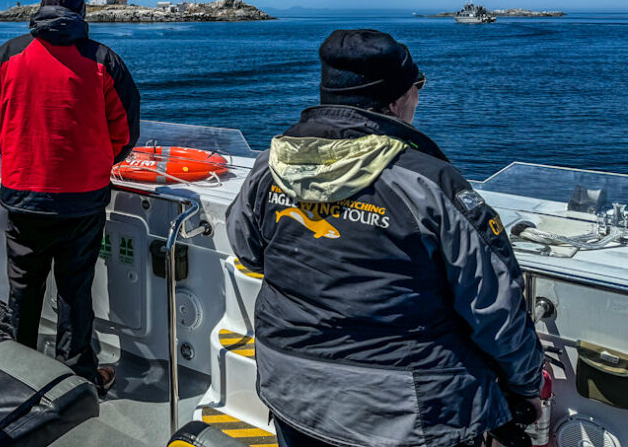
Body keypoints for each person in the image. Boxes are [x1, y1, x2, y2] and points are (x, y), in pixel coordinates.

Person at [227, 29, 543, 447]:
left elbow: (247, 251)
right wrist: (526, 385)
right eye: (418, 87)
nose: (419, 98)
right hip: (405, 412)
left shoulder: (272, 165)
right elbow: (496, 307)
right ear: (395, 99)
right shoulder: (431, 183)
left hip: (292, 391)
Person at [0, 0, 140, 395]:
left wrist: (20, 151)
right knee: (75, 288)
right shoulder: (103, 59)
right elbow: (125, 130)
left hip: (23, 192)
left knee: (24, 290)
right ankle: (78, 375)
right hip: (83, 197)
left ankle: (15, 378)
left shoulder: (8, 55)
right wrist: (100, 159)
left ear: (40, 9)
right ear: (82, 14)